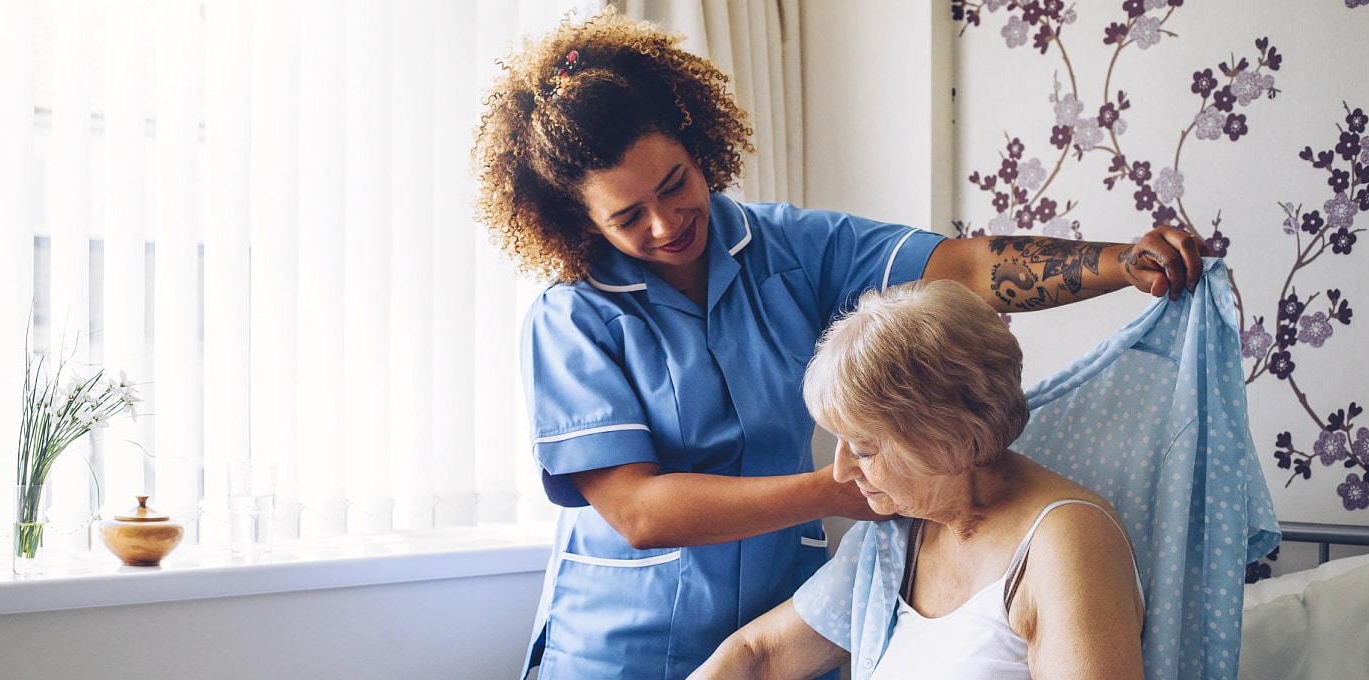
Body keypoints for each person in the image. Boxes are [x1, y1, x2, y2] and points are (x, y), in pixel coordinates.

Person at [470, 8, 1197, 678]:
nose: (665, 224)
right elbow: (639, 511)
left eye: (675, 184)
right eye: (628, 216)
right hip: (618, 651)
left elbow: (967, 268)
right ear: (579, 221)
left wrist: (1121, 264)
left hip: (779, 628)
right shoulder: (572, 318)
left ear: (699, 145)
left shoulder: (790, 247)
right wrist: (848, 486)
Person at [688, 280, 1145, 679]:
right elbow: (759, 654)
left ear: (953, 439)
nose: (843, 470)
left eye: (864, 448)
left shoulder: (1066, 545)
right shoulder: (897, 532)